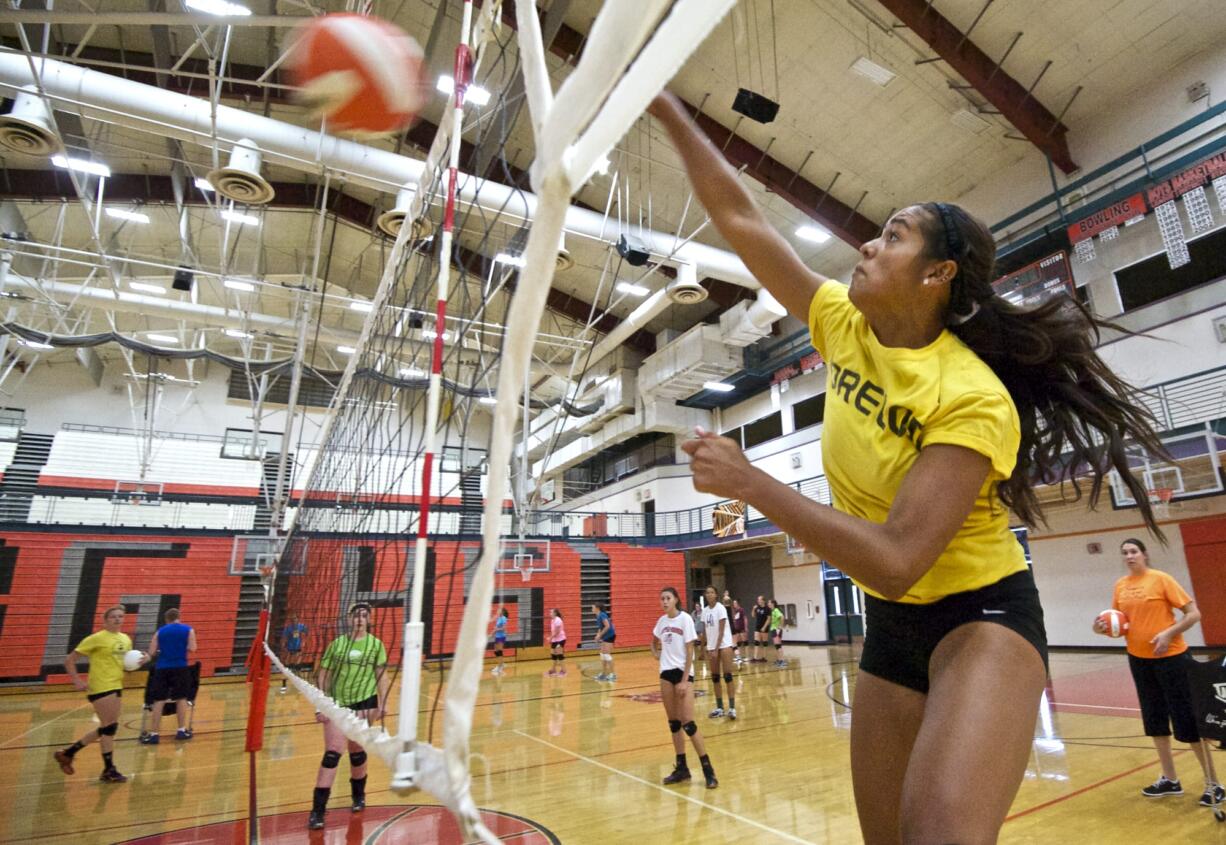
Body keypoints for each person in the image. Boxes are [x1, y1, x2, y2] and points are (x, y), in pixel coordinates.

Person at [651, 90, 1169, 843]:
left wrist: (751, 483)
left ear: (937, 274)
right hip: (892, 624)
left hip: (981, 615)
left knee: (940, 830)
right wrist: (666, 109)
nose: (866, 246)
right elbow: (743, 222)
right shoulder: (844, 325)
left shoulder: (969, 395)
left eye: (891, 237)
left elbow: (896, 558)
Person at [1096, 538, 1222, 806]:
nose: (1129, 556)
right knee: (1155, 721)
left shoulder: (1161, 579)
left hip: (1173, 659)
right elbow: (1119, 624)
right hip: (1139, 660)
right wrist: (1101, 628)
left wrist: (1168, 633)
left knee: (1187, 720)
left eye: (1133, 551)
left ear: (1144, 554)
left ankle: (1214, 783)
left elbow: (1193, 614)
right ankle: (1170, 779)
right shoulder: (1121, 586)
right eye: (1125, 553)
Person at [308, 602, 389, 830]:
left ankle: (358, 796)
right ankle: (318, 811)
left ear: (370, 619)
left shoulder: (376, 645)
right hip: (338, 705)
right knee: (332, 754)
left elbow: (381, 674)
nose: (360, 619)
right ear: (349, 619)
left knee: (357, 752)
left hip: (365, 703)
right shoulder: (338, 645)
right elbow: (323, 674)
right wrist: (320, 705)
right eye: (356, 616)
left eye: (364, 615)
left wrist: (383, 702)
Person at [53, 605, 133, 783]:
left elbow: (124, 663)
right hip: (101, 686)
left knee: (106, 728)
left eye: (121, 616)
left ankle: (68, 753)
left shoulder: (126, 639)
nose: (118, 619)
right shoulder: (96, 638)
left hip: (116, 684)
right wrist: (76, 680)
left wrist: (136, 662)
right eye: (113, 617)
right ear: (105, 620)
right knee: (109, 728)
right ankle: (108, 770)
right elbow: (70, 660)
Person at [652, 587, 718, 789]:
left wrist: (684, 679)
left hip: (683, 674)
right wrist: (656, 652)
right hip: (666, 673)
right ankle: (682, 768)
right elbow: (654, 642)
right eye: (662, 598)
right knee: (674, 724)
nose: (664, 602)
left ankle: (708, 769)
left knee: (688, 723)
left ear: (676, 600)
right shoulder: (661, 622)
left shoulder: (685, 619)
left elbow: (690, 651)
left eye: (668, 598)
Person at [140, 608, 197, 744]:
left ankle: (154, 734)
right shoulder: (188, 630)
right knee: (181, 698)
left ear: (167, 619)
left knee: (159, 700)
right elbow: (193, 648)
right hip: (180, 667)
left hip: (162, 668)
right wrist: (181, 647)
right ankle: (181, 730)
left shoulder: (160, 632)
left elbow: (151, 652)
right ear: (179, 617)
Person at [702, 586, 736, 720]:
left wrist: (716, 648)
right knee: (715, 677)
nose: (709, 595)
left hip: (724, 645)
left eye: (712, 592)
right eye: (707, 593)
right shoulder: (705, 611)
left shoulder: (720, 608)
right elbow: (704, 630)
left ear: (716, 595)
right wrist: (702, 648)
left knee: (727, 676)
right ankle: (720, 707)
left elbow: (721, 631)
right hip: (711, 647)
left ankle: (732, 708)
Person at [281, 613, 308, 693]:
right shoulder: (288, 629)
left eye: (295, 618)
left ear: (297, 619)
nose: (294, 620)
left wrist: (304, 640)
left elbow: (307, 632)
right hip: (290, 649)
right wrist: (284, 647)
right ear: (291, 621)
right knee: (287, 667)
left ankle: (300, 685)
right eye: (293, 619)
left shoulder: (301, 626)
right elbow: (284, 638)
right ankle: (284, 685)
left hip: (298, 648)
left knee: (298, 666)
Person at [592, 603, 617, 682]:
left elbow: (607, 626)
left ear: (597, 608)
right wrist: (597, 635)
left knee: (606, 654)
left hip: (610, 636)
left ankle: (613, 675)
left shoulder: (602, 615)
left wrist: (600, 636)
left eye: (593, 607)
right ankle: (604, 674)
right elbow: (601, 628)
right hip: (605, 636)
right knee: (602, 654)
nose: (592, 609)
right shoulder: (598, 616)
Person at [768, 598, 786, 668]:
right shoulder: (772, 611)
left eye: (769, 602)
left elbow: (782, 617)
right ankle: (779, 660)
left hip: (776, 630)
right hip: (773, 629)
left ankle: (782, 661)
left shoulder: (776, 610)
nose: (768, 604)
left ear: (773, 604)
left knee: (778, 646)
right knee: (777, 646)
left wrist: (780, 627)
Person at [490, 607, 509, 676]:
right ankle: (502, 663)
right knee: (495, 651)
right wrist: (493, 633)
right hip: (497, 636)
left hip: (501, 636)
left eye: (499, 610)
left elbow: (504, 628)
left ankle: (499, 667)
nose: (498, 611)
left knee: (499, 651)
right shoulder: (498, 618)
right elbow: (496, 628)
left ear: (502, 612)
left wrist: (496, 629)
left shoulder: (503, 618)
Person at [751, 595, 770, 663]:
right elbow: (753, 615)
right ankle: (755, 657)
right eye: (758, 599)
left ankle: (764, 657)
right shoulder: (757, 607)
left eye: (759, 599)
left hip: (764, 627)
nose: (758, 601)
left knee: (764, 642)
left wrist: (764, 627)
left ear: (763, 600)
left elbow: (768, 619)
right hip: (757, 627)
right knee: (756, 642)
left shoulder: (767, 608)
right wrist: (753, 609)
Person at [548, 608, 566, 676]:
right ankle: (553, 670)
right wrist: (551, 639)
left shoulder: (558, 620)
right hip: (555, 640)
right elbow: (553, 631)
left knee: (559, 654)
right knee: (553, 654)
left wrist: (550, 638)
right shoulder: (552, 620)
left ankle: (563, 670)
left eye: (551, 612)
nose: (550, 613)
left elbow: (557, 632)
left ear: (555, 613)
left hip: (561, 639)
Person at [730, 599, 747, 664]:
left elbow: (745, 618)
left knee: (745, 641)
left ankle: (746, 656)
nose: (734, 604)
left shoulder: (741, 610)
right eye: (733, 603)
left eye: (735, 603)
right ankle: (739, 657)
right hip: (736, 628)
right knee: (737, 643)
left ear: (738, 603)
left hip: (741, 628)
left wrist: (745, 627)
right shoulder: (734, 611)